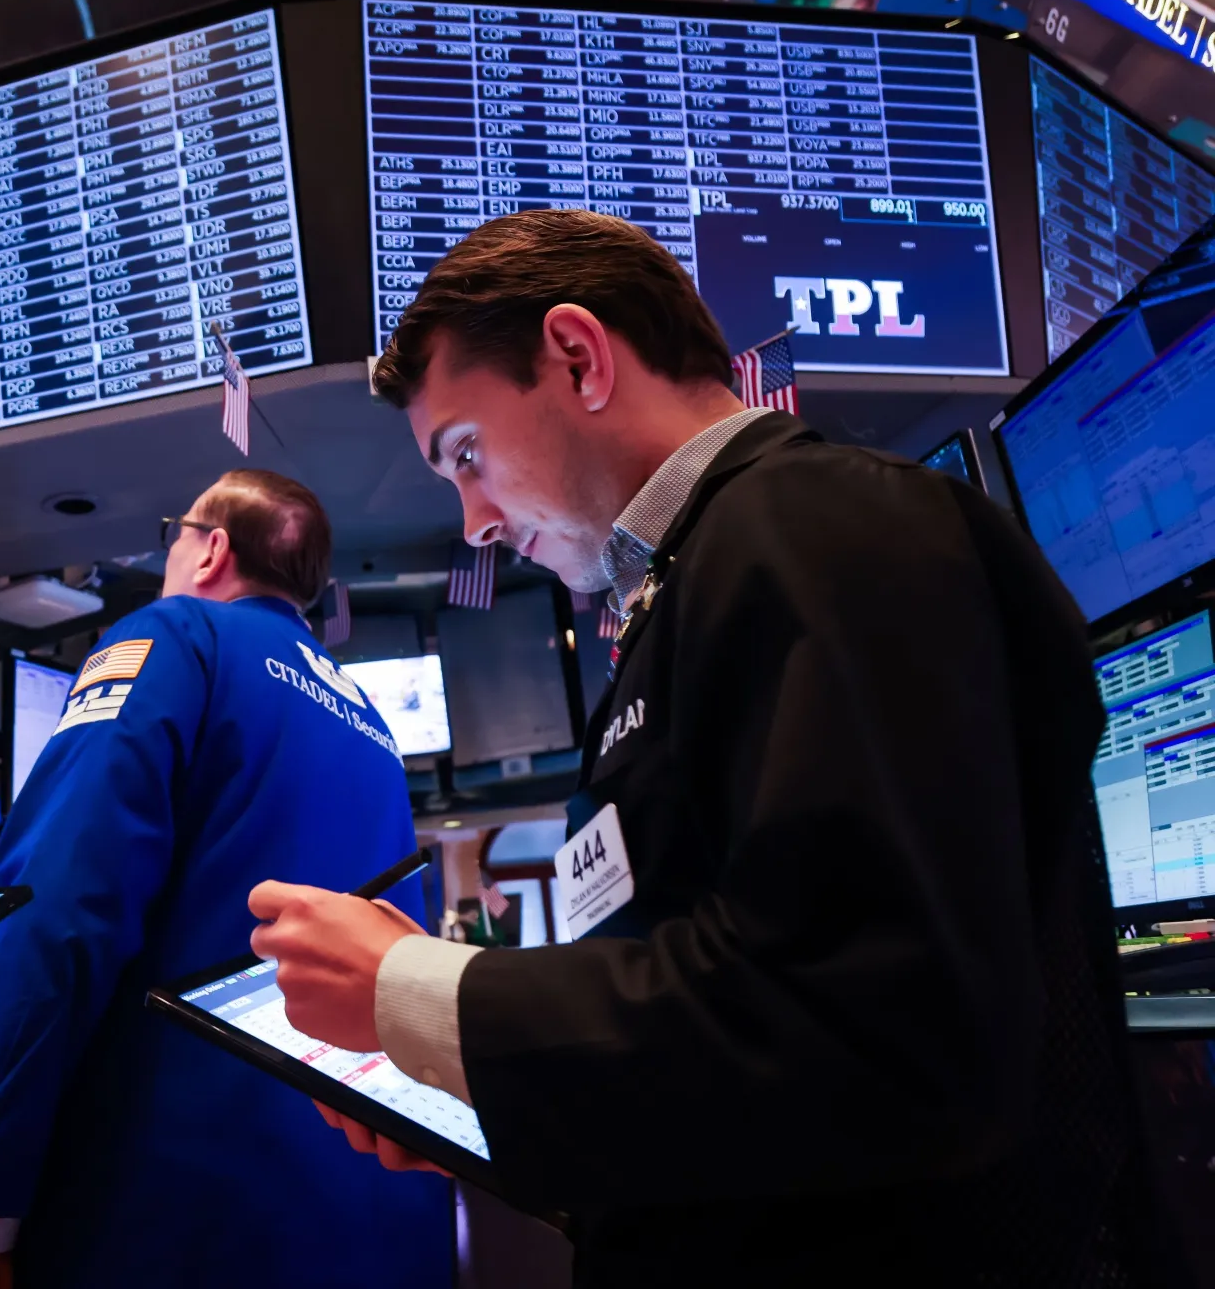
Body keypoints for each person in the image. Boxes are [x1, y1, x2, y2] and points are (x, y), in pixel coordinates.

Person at [249, 209, 1161, 1283]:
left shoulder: (816, 523)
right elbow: (716, 1021)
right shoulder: (695, 584)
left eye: (465, 453)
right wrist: (488, 1085)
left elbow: (861, 1023)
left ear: (578, 357)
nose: (474, 522)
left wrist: (415, 985)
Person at [0, 470, 452, 1289]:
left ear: (211, 550)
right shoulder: (372, 724)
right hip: (377, 1217)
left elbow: (57, 911)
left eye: (174, 534)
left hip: (181, 1216)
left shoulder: (174, 637)